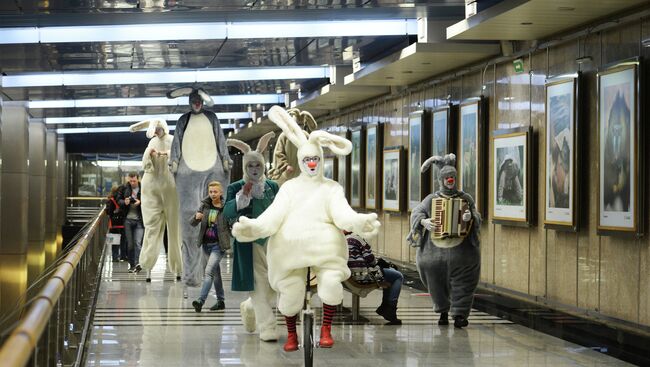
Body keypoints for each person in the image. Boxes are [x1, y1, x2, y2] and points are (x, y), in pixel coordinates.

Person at [232, 106, 380, 352]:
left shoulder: (331, 188)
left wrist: (358, 222)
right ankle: (291, 334)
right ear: (301, 161)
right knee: (290, 292)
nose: (311, 163)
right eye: (307, 159)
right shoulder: (289, 188)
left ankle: (326, 328)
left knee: (332, 283)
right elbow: (273, 216)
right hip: (290, 248)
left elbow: (343, 214)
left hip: (325, 248)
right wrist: (255, 227)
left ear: (321, 160)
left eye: (315, 159)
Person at [168, 87, 233, 290]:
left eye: (199, 99)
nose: (196, 103)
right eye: (193, 99)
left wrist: (224, 157)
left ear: (203, 101)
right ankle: (190, 275)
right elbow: (176, 141)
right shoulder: (183, 120)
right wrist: (175, 160)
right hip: (188, 173)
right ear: (189, 101)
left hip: (212, 171)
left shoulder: (212, 118)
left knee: (214, 220)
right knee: (190, 222)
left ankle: (210, 272)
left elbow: (220, 139)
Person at [407, 153, 481, 328]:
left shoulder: (465, 198)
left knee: (464, 283)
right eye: (447, 177)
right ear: (441, 179)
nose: (450, 180)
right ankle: (442, 311)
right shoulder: (432, 199)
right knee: (435, 280)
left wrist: (471, 217)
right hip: (435, 251)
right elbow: (417, 212)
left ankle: (460, 314)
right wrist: (423, 221)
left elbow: (476, 216)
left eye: (452, 177)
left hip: (462, 251)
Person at [223, 132, 280, 341]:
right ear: (245, 167)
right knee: (257, 284)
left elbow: (282, 209)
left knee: (275, 283)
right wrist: (242, 197)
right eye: (250, 166)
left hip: (273, 242)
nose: (254, 170)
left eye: (257, 165)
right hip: (249, 244)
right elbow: (227, 213)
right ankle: (267, 326)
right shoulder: (235, 187)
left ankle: (249, 306)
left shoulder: (273, 186)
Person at [129, 118, 183, 282]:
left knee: (174, 230)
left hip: (171, 186)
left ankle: (177, 268)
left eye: (159, 129)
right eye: (156, 129)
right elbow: (146, 162)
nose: (158, 132)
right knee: (152, 228)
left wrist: (166, 155)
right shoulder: (152, 141)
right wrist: (151, 154)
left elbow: (179, 158)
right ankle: (147, 265)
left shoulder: (173, 140)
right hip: (153, 187)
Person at [345, 231, 402, 325]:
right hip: (362, 275)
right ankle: (389, 308)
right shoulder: (357, 239)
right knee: (397, 276)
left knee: (389, 274)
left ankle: (386, 308)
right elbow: (371, 260)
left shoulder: (345, 239)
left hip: (350, 275)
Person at [190, 181, 231, 312]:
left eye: (215, 192)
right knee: (216, 274)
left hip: (218, 246)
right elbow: (192, 223)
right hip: (206, 245)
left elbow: (232, 222)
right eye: (211, 192)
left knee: (208, 273)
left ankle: (200, 301)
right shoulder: (205, 205)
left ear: (221, 192)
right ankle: (221, 301)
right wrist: (196, 217)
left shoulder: (226, 207)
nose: (213, 194)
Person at [267, 108, 316, 186]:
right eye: (297, 125)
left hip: (301, 174)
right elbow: (278, 153)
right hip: (286, 174)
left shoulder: (306, 136)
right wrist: (285, 165)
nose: (299, 127)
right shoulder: (285, 136)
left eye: (301, 125)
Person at [118, 172, 144, 271]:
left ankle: (138, 263)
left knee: (138, 243)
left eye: (134, 181)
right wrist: (124, 202)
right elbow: (118, 200)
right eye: (130, 181)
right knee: (130, 244)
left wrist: (141, 202)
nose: (132, 183)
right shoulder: (124, 188)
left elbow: (150, 200)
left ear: (138, 179)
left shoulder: (143, 188)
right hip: (128, 220)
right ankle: (132, 265)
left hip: (139, 220)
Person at [104, 186, 126, 262]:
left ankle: (115, 257)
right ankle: (123, 256)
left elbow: (108, 212)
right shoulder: (122, 199)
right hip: (123, 223)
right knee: (123, 241)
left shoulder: (111, 200)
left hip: (113, 224)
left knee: (114, 242)